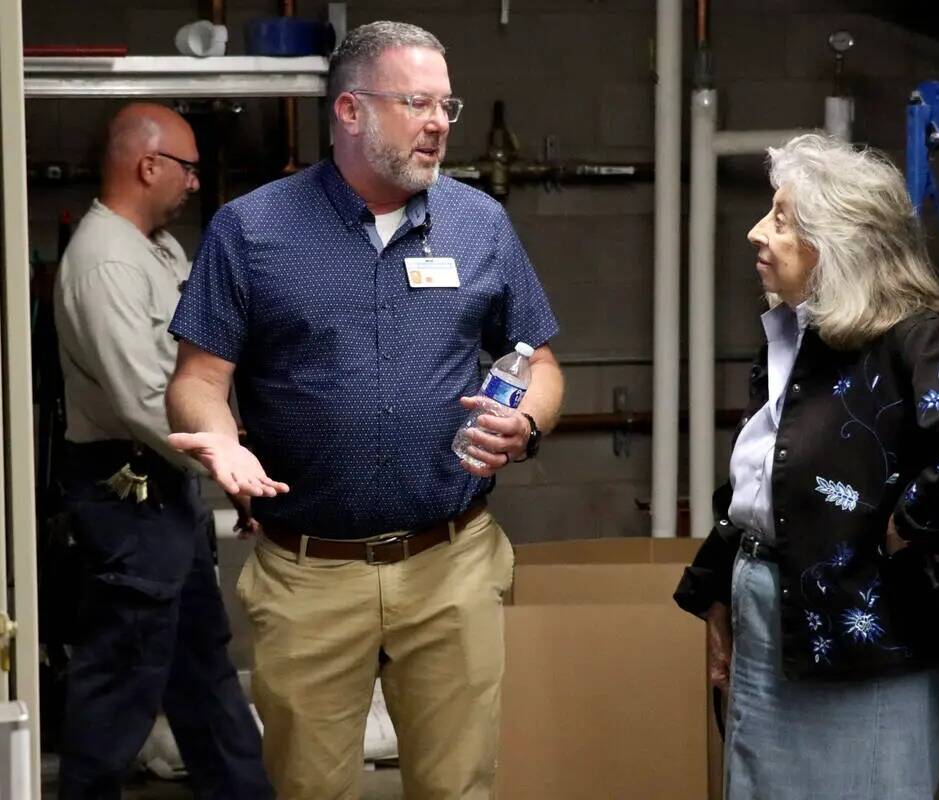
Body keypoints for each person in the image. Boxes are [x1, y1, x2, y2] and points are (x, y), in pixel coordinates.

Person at [165, 20, 564, 800]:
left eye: (446, 105)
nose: (439, 124)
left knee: (459, 789)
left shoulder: (481, 224)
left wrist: (531, 421)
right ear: (350, 112)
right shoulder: (252, 230)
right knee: (310, 789)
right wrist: (220, 441)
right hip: (310, 573)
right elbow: (197, 380)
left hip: (451, 562)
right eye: (417, 102)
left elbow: (541, 362)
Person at [673, 133, 939, 798]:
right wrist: (715, 589)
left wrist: (910, 521)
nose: (758, 233)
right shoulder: (797, 336)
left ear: (837, 243)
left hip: (867, 648)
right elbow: (766, 483)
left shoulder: (906, 338)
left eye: (781, 219)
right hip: (773, 621)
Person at [54, 102, 272, 799]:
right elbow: (144, 398)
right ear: (149, 166)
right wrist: (229, 462)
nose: (193, 184)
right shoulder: (103, 262)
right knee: (121, 678)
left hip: (165, 490)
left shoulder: (158, 250)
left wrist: (229, 448)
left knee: (200, 670)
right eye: (187, 169)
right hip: (128, 495)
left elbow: (194, 371)